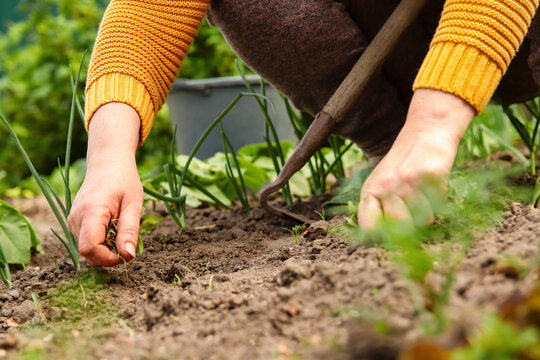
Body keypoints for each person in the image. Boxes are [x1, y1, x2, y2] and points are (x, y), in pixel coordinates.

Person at [67, 0, 540, 267]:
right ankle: (396, 153)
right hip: (397, 36)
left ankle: (419, 149)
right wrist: (109, 154)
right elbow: (148, 12)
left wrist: (435, 124)